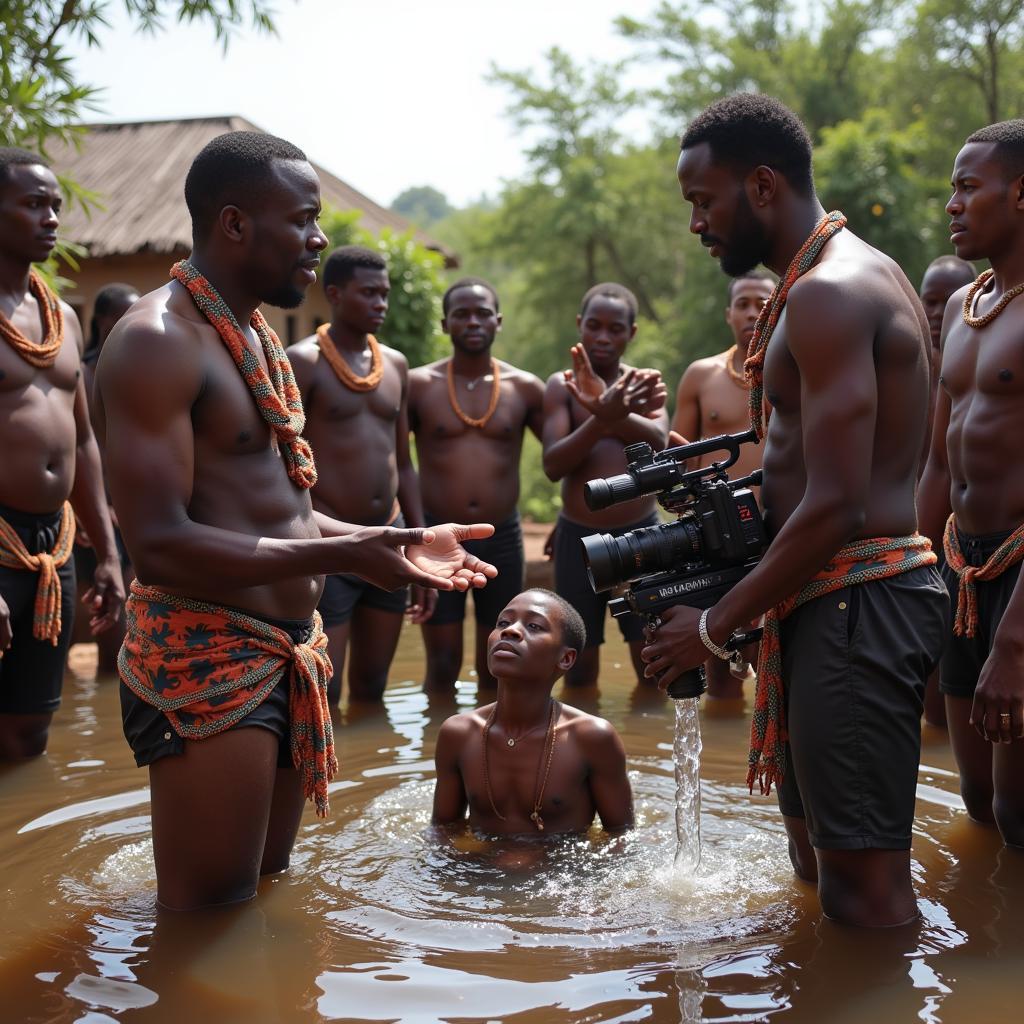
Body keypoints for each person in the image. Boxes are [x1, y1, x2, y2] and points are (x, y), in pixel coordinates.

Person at [94, 130, 498, 911]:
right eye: (304, 219)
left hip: (285, 653)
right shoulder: (155, 342)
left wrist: (396, 541)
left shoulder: (254, 337)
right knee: (207, 916)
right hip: (206, 658)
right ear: (235, 223)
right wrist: (354, 554)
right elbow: (161, 544)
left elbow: (282, 510)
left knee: (265, 894)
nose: (320, 239)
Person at [643, 94, 947, 928]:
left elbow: (837, 505)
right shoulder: (835, 280)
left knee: (864, 891)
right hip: (832, 602)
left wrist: (711, 624)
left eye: (704, 202)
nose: (698, 224)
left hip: (858, 603)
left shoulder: (828, 295)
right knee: (818, 868)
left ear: (764, 185)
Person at [918, 119, 1024, 849]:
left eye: (968, 187)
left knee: (1020, 818)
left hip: (1021, 582)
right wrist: (913, 583)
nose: (952, 204)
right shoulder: (964, 306)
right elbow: (938, 464)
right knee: (979, 804)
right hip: (960, 571)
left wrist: (1015, 645)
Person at [0, 147, 124, 758]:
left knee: (29, 732)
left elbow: (82, 441)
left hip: (55, 543)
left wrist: (105, 551)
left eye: (55, 205)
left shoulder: (62, 321)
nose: (51, 218)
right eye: (33, 204)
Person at [290, 246, 429, 704]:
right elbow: (280, 462)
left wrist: (419, 541)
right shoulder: (304, 362)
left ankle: (376, 774)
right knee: (323, 692)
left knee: (373, 688)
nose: (381, 304)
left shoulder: (396, 364)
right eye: (369, 293)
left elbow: (403, 463)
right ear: (333, 293)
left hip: (389, 536)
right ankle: (330, 777)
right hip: (328, 545)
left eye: (384, 294)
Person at [408, 278, 545, 691]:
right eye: (462, 314)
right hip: (436, 537)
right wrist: (413, 533)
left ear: (498, 321)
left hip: (502, 535)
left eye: (482, 313)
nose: (473, 321)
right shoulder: (418, 385)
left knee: (499, 665)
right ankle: (441, 749)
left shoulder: (525, 388)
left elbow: (562, 458)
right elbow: (395, 461)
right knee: (442, 663)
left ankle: (493, 751)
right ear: (445, 323)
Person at [542, 283, 669, 687]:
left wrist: (612, 409)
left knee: (652, 657)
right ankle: (582, 745)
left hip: (642, 535)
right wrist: (602, 416)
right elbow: (553, 464)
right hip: (578, 538)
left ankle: (646, 747)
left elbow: (660, 442)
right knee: (578, 666)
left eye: (615, 329)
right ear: (580, 325)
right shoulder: (561, 386)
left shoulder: (644, 384)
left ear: (631, 333)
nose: (602, 337)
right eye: (594, 326)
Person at [431, 588, 634, 835]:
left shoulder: (592, 737)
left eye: (535, 626)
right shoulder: (458, 734)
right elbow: (443, 833)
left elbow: (621, 837)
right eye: (503, 622)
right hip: (481, 870)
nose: (510, 630)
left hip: (566, 869)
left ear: (566, 658)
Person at [671, 270, 774, 700]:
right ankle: (721, 757)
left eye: (763, 303)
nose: (753, 312)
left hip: (784, 532)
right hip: (718, 536)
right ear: (729, 313)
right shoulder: (701, 375)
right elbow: (680, 458)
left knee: (777, 662)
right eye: (744, 304)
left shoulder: (798, 370)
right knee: (718, 667)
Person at [73, 282, 140, 672]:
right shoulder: (82, 375)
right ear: (101, 322)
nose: (133, 324)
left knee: (136, 636)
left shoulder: (144, 370)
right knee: (110, 639)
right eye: (122, 316)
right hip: (96, 519)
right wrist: (99, 508)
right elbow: (80, 449)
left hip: (137, 514)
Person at [918, 256, 975, 381]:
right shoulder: (902, 364)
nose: (938, 313)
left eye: (952, 302)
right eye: (931, 302)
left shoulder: (981, 365)